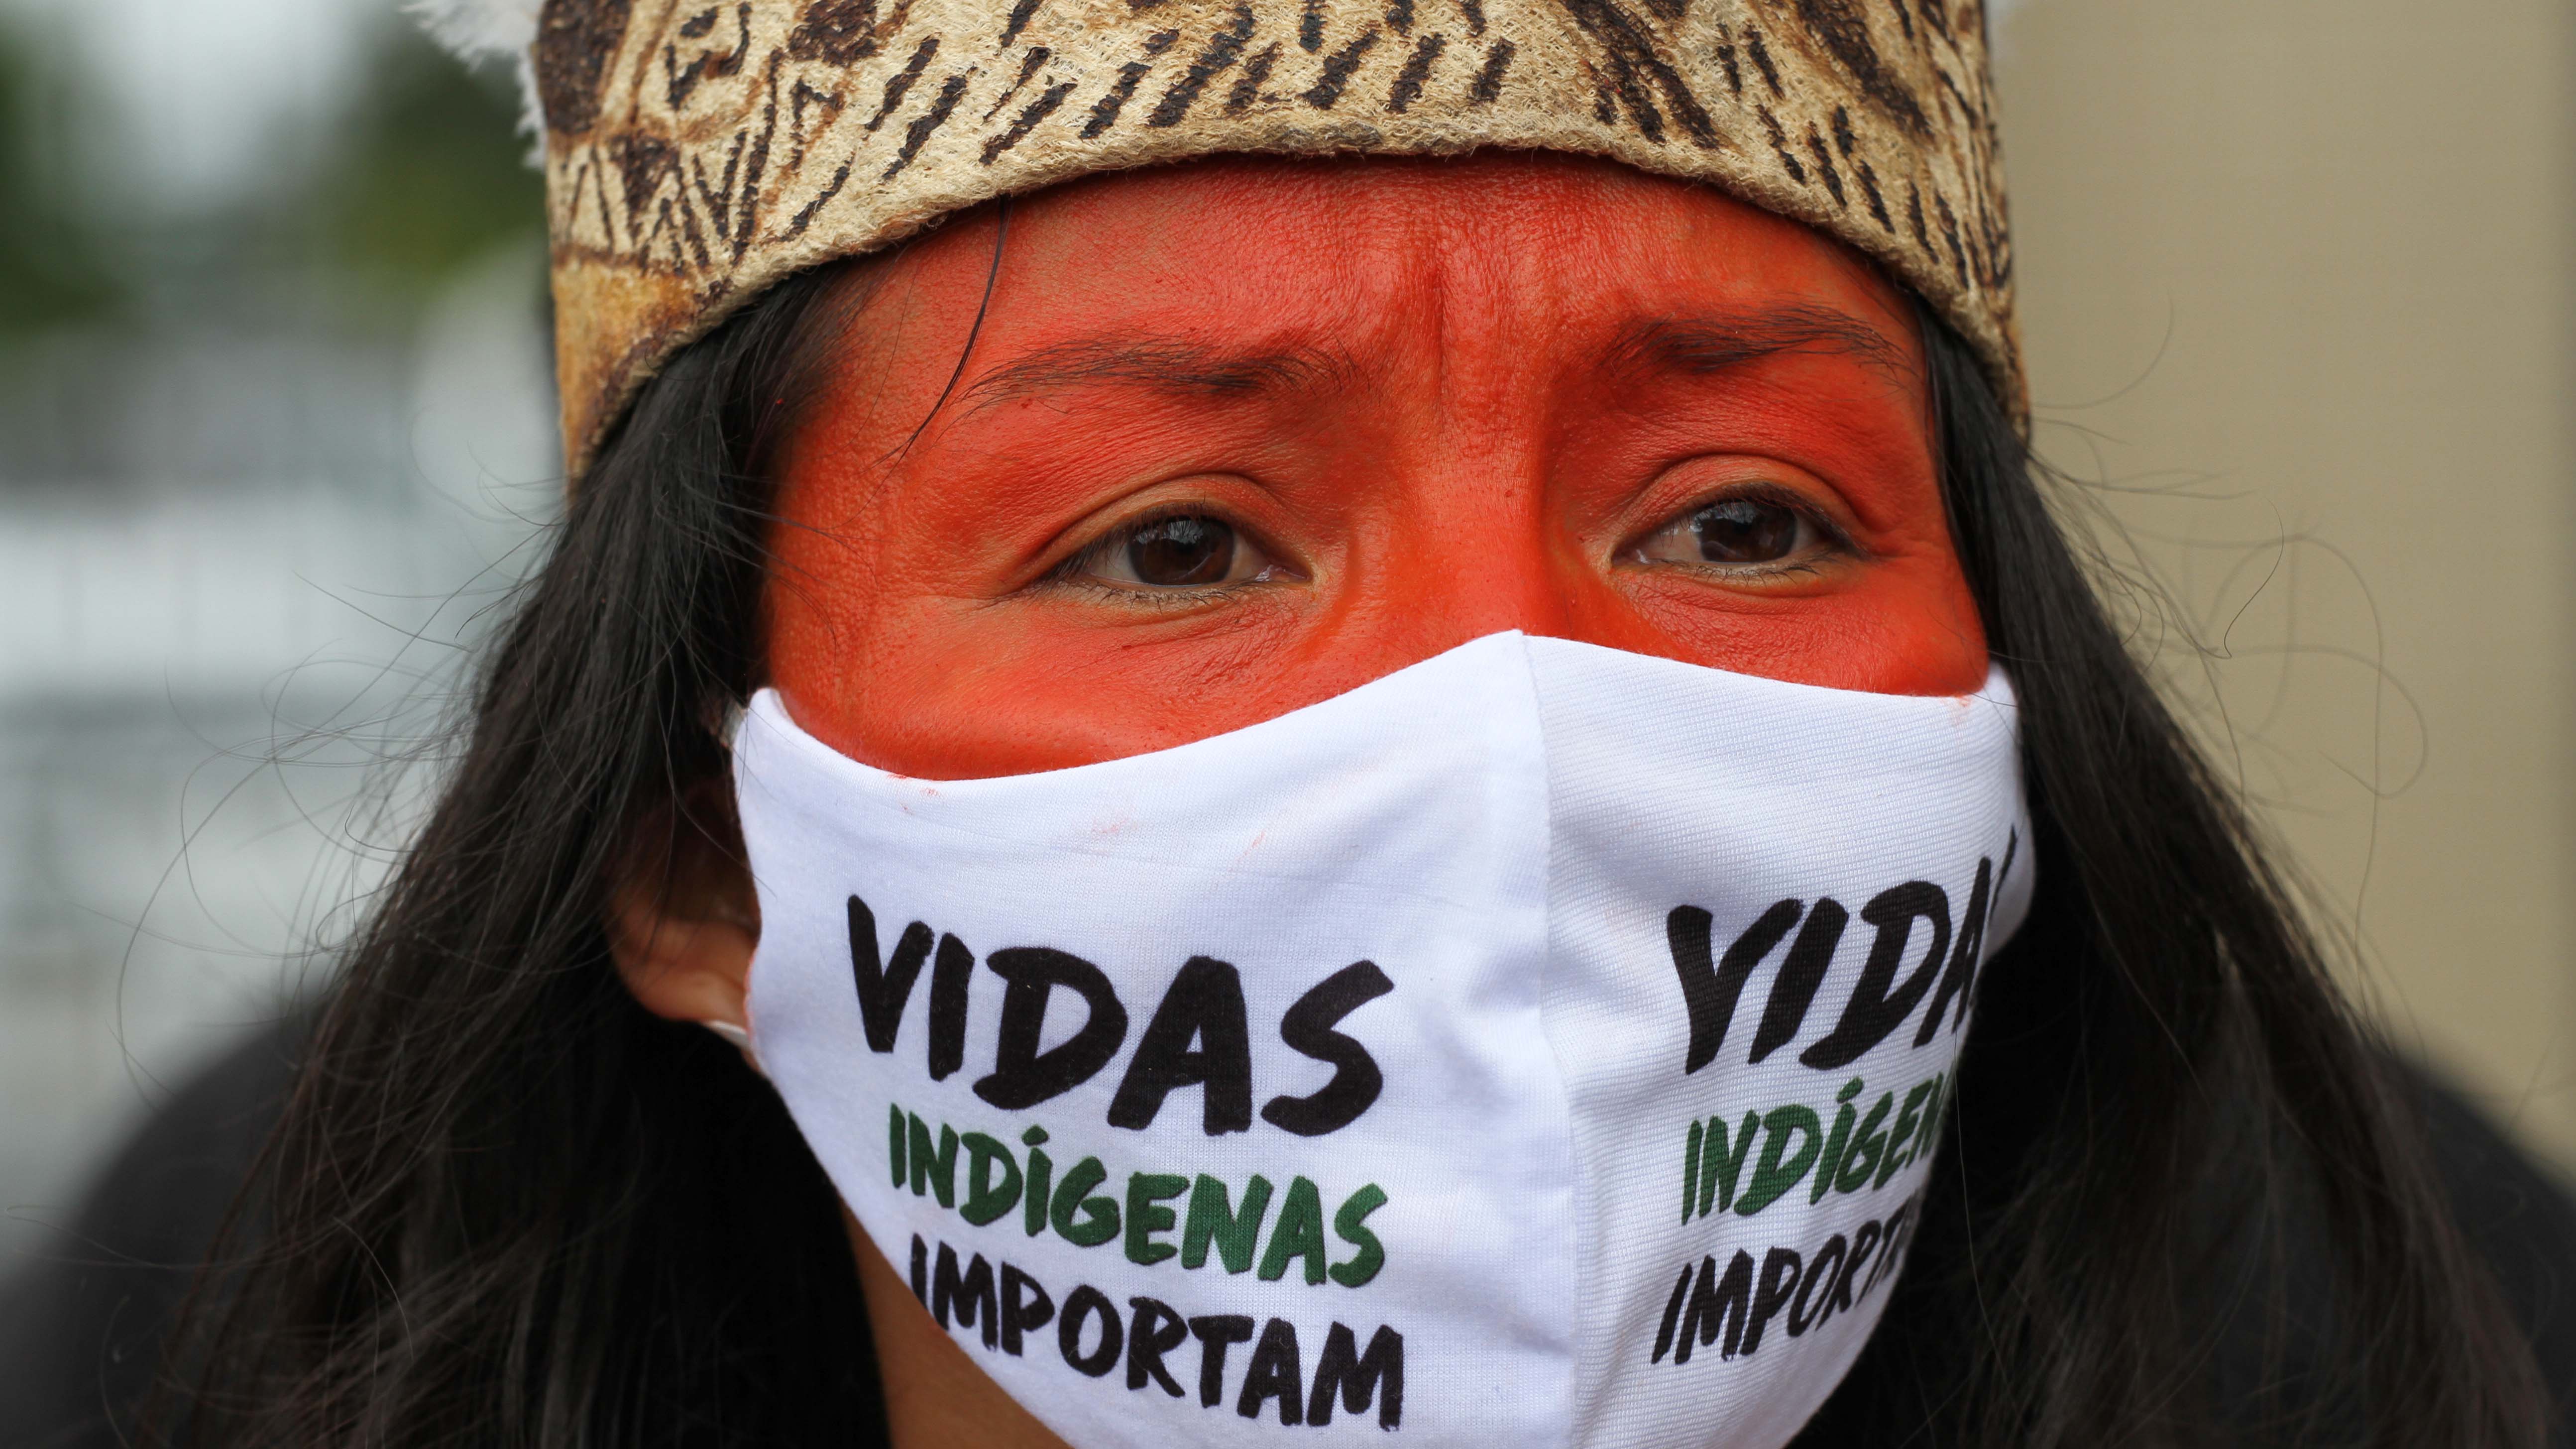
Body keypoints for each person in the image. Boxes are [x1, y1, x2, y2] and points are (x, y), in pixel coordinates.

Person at [11, 1, 2570, 1446]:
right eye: (1177, 543)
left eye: (1743, 520)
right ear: (697, 843)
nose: (1513, 746)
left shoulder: (2396, 1331)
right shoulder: (216, 1333)